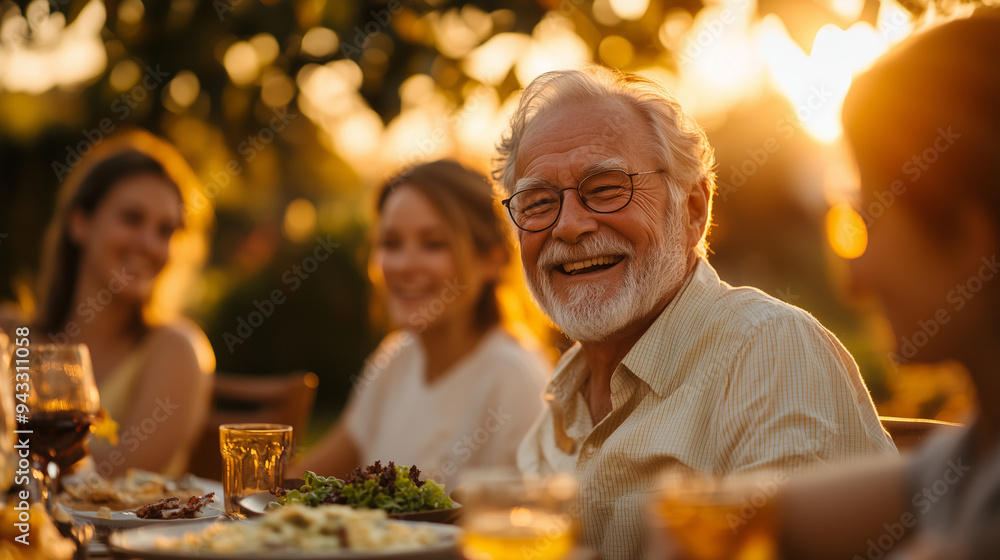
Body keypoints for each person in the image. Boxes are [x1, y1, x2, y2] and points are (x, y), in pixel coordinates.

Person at [492, 66, 897, 558]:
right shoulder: (560, 399)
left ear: (692, 210)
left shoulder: (767, 349)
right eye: (537, 202)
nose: (570, 225)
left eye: (605, 188)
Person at [778, 9, 1000, 560]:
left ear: (974, 238)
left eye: (865, 223)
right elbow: (767, 514)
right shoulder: (976, 453)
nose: (854, 280)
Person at [295, 160, 549, 489]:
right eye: (391, 243)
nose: (404, 265)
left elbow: (526, 528)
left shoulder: (515, 379)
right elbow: (306, 478)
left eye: (433, 244)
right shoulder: (396, 358)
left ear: (492, 259)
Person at [33, 131, 215, 478]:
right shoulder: (11, 337)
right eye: (132, 218)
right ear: (80, 222)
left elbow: (111, 486)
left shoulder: (177, 350)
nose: (149, 245)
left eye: (165, 231)